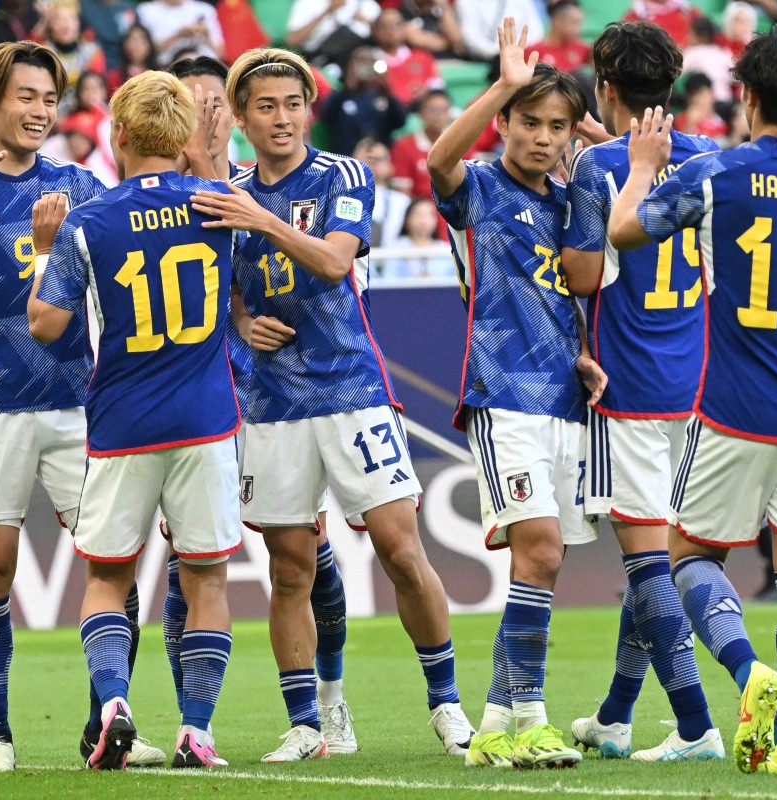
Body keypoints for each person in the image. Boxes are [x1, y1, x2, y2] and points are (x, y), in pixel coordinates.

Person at [607, 26, 777, 776]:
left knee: (689, 556)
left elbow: (624, 232)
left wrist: (640, 169)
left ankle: (744, 670)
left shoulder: (718, 176)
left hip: (733, 410)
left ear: (749, 95)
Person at [189, 45, 475, 762]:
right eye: (265, 107)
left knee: (400, 548)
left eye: (292, 104)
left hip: (351, 388)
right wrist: (235, 319)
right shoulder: (230, 190)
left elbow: (335, 260)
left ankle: (446, 704)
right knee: (290, 567)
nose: (281, 118)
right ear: (243, 118)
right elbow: (209, 279)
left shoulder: (342, 173)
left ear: (308, 108)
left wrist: (259, 218)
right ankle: (312, 721)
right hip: (270, 400)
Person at [0, 40, 163, 773]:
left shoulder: (82, 183)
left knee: (114, 561)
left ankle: (104, 726)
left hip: (77, 405)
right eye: (26, 97)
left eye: (50, 99)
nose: (40, 111)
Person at [28, 68, 237, 771]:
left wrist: (44, 250)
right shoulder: (220, 205)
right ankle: (197, 729)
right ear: (181, 137)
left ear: (117, 134)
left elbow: (45, 325)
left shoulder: (88, 222)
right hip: (207, 419)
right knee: (204, 578)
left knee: (108, 578)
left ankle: (114, 699)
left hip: (120, 423)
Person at [166, 53, 358, 757]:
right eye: (194, 108)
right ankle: (194, 722)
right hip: (184, 397)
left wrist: (249, 328)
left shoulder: (264, 191)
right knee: (183, 562)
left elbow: (298, 274)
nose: (208, 120)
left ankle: (327, 705)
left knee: (308, 554)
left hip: (267, 392)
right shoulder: (156, 197)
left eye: (217, 103)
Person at [427, 18, 601, 771]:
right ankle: (530, 714)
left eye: (556, 126)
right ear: (503, 121)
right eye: (528, 121)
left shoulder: (571, 202)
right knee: (540, 549)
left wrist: (587, 357)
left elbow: (572, 296)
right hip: (501, 395)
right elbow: (438, 160)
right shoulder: (482, 189)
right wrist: (502, 79)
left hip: (566, 398)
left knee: (545, 560)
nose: (541, 136)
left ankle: (499, 723)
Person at [561, 19, 724, 764]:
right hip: (700, 383)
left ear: (605, 86)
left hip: (628, 384)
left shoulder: (598, 168)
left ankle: (696, 725)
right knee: (660, 551)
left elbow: (587, 277)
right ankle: (617, 715)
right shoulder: (714, 160)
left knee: (645, 563)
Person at [318, 46, 407, 156]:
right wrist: (348, 87)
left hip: (378, 159)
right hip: (347, 157)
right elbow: (326, 118)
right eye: (360, 62)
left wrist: (386, 87)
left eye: (369, 63)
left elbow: (400, 122)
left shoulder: (383, 96)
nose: (364, 67)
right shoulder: (340, 95)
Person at [371, 7, 444, 108]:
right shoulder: (369, 60)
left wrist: (425, 92)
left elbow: (438, 88)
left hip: (419, 110)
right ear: (376, 31)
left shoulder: (422, 57)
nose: (391, 29)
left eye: (397, 24)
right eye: (385, 26)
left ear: (404, 28)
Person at [391, 88, 452, 200]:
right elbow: (403, 194)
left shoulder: (458, 145)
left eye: (443, 110)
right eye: (433, 109)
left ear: (449, 115)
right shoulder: (404, 146)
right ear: (421, 113)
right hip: (419, 211)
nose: (438, 115)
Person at [285, 0, 380, 65]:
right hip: (309, 57)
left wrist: (368, 22)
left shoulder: (368, 6)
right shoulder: (311, 2)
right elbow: (292, 40)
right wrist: (328, 10)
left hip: (344, 64)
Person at [380, 196, 455, 279]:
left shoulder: (445, 250)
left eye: (429, 215)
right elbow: (389, 280)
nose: (424, 220)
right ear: (407, 220)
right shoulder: (396, 248)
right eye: (418, 215)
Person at [136, 0, 224, 65]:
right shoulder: (147, 10)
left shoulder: (205, 9)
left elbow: (221, 53)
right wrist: (178, 35)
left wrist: (206, 35)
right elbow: (144, 52)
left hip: (205, 66)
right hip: (164, 68)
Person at [527, 0, 591, 75]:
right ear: (557, 21)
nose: (580, 29)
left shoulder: (582, 49)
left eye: (580, 23)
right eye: (575, 22)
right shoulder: (532, 52)